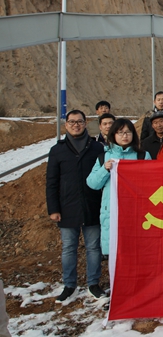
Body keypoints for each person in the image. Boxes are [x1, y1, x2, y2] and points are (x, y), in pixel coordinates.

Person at [46, 110, 104, 302]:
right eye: (72, 122)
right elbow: (51, 182)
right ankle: (69, 284)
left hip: (92, 204)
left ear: (85, 123)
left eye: (79, 121)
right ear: (66, 125)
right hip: (66, 206)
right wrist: (53, 209)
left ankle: (93, 283)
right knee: (69, 248)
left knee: (93, 247)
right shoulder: (57, 150)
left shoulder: (97, 148)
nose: (76, 125)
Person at [87, 119, 150, 258]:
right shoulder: (104, 157)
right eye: (120, 132)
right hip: (111, 212)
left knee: (136, 255)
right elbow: (92, 183)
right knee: (115, 256)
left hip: (136, 212)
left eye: (128, 132)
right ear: (113, 135)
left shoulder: (142, 156)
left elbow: (151, 183)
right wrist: (104, 169)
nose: (124, 136)